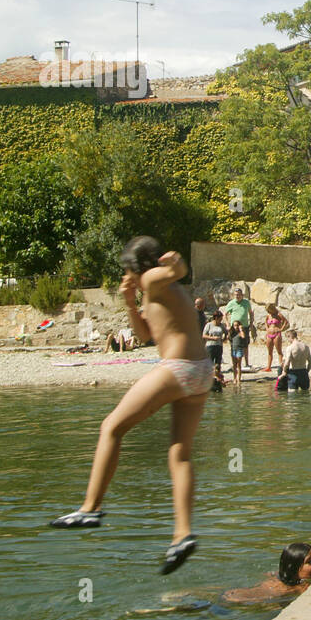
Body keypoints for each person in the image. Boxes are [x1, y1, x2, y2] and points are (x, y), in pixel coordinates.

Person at [50, 237, 211, 575]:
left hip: (178, 368)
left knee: (111, 427)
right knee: (179, 453)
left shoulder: (153, 278)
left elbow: (179, 268)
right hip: (201, 373)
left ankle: (91, 507)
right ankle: (182, 534)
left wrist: (176, 260)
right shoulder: (155, 290)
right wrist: (128, 302)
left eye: (126, 271)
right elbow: (143, 337)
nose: (126, 277)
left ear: (136, 267)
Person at [222, 543, 311, 603]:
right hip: (234, 601)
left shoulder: (277, 576)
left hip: (233, 593)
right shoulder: (301, 587)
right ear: (294, 568)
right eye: (310, 562)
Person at [223, 287, 254, 369]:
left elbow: (251, 313)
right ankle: (235, 364)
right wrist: (227, 324)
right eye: (236, 295)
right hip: (234, 328)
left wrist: (251, 323)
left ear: (242, 295)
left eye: (239, 295)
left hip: (244, 327)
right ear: (234, 295)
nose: (237, 296)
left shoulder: (246, 302)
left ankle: (247, 363)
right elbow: (225, 314)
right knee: (233, 345)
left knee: (245, 345)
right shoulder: (231, 303)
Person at [263, 303, 290, 374]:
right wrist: (267, 329)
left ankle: (281, 366)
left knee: (279, 351)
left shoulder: (278, 314)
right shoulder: (268, 315)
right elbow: (265, 322)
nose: (268, 311)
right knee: (269, 351)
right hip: (269, 334)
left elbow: (286, 321)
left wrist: (281, 329)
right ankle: (268, 367)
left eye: (269, 310)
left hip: (276, 334)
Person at [228, 319, 249, 385]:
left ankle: (238, 379)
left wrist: (241, 329)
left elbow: (243, 336)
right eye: (234, 325)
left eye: (237, 325)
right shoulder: (232, 333)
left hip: (239, 349)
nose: (236, 327)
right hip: (233, 350)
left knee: (239, 365)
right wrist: (229, 331)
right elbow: (228, 338)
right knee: (234, 365)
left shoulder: (241, 333)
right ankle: (234, 378)